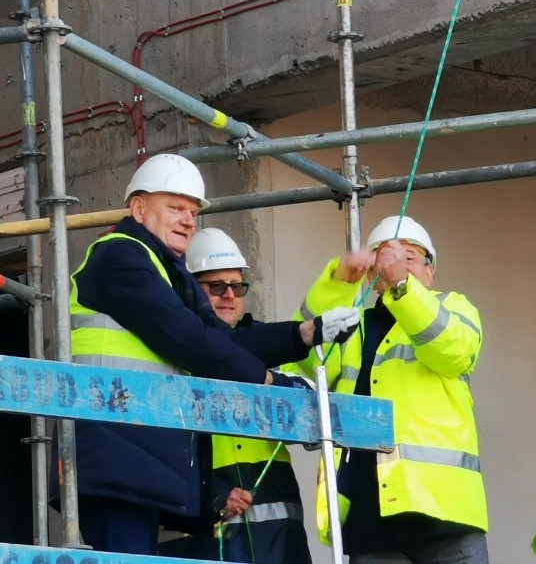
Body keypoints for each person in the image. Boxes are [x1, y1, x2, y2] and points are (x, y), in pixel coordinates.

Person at [64, 153, 359, 556]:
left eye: (193, 211)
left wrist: (305, 334)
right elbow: (187, 338)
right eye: (175, 207)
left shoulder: (163, 267)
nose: (188, 219)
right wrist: (269, 381)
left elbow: (220, 340)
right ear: (138, 207)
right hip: (116, 450)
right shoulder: (119, 256)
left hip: (138, 452)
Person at [298, 215, 489, 563]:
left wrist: (402, 287)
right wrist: (339, 285)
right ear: (372, 275)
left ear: (430, 271)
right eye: (385, 260)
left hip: (444, 514)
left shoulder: (453, 307)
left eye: (409, 258)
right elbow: (306, 358)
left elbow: (455, 351)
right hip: (368, 521)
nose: (396, 265)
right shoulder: (352, 327)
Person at [186, 227, 313, 564]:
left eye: (237, 286)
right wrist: (213, 496)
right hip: (207, 543)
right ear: (189, 290)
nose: (229, 294)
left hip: (279, 543)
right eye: (216, 286)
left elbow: (310, 409)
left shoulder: (263, 351)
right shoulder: (173, 361)